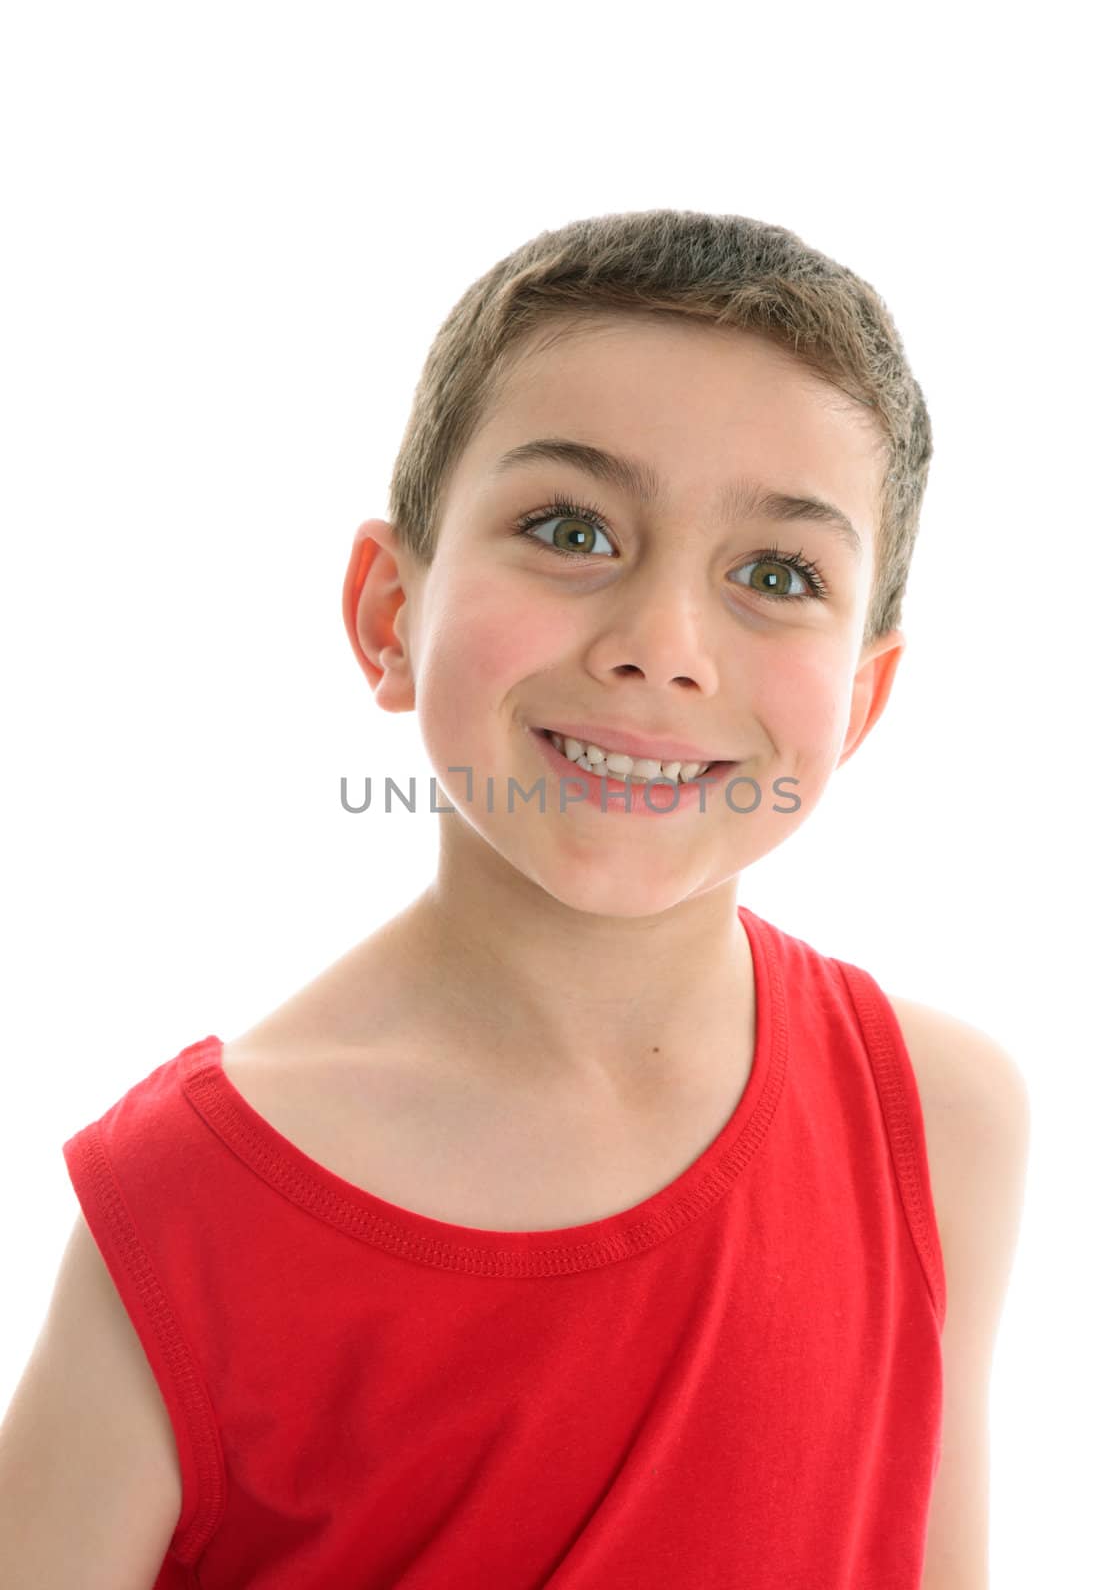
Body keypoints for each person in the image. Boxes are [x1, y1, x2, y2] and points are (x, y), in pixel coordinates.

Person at [0, 209, 1030, 1589]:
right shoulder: (182, 1209)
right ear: (387, 616)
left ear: (859, 701)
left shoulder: (939, 1119)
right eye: (569, 528)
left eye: (775, 575)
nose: (660, 647)